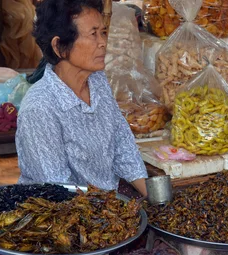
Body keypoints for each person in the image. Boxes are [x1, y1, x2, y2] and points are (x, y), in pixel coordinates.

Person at [16, 0, 148, 196]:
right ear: (59, 46)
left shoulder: (97, 81)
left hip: (103, 205)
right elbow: (58, 191)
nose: (103, 42)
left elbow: (122, 144)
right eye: (93, 34)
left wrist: (155, 200)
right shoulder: (40, 108)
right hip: (64, 215)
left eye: (103, 32)